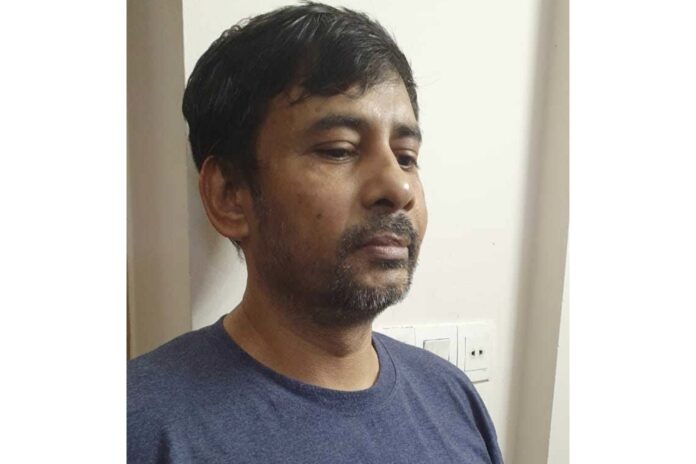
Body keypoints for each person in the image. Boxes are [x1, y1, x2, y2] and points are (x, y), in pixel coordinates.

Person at [128, 3, 503, 463]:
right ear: (229, 195)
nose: (399, 187)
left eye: (406, 157)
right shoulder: (140, 427)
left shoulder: (452, 397)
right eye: (339, 150)